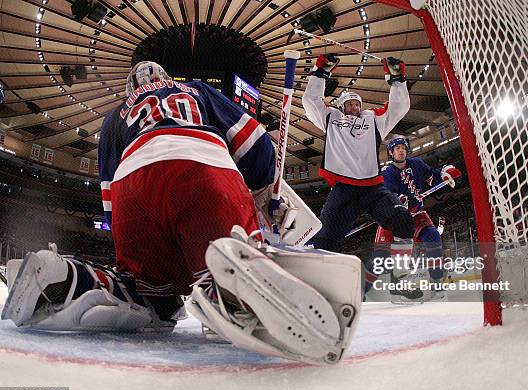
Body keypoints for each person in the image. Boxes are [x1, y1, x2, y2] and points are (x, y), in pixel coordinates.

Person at [1, 61, 362, 365]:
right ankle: (226, 291)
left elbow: (109, 195)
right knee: (222, 257)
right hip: (200, 164)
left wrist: (131, 250)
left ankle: (71, 279)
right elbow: (252, 138)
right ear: (166, 77)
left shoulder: (114, 119)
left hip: (133, 188)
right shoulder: (195, 90)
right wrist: (265, 191)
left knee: (151, 295)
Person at [302, 54, 415, 252]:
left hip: (373, 189)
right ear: (341, 106)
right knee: (324, 242)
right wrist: (321, 72)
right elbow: (310, 101)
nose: (354, 108)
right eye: (349, 104)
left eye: (357, 104)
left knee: (404, 221)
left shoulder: (373, 119)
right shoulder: (331, 117)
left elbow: (399, 107)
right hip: (343, 191)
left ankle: (401, 265)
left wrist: (397, 79)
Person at [367, 137, 461, 299]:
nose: (401, 150)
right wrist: (400, 200)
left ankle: (437, 283)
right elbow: (385, 196)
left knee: (432, 237)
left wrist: (445, 174)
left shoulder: (417, 164)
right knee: (381, 257)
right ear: (391, 152)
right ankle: (360, 290)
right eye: (397, 148)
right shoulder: (387, 172)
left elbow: (433, 177)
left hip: (416, 213)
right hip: (394, 218)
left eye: (403, 147)